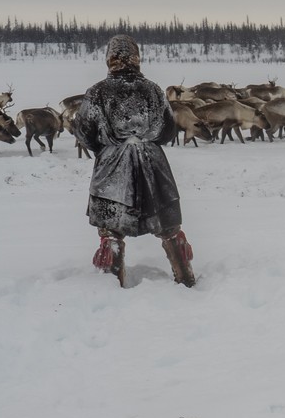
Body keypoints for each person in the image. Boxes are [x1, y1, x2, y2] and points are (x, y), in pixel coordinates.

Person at [75, 34, 195, 287]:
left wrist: (106, 149)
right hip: (152, 162)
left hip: (112, 164)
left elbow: (84, 131)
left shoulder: (97, 92)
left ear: (110, 59)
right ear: (137, 58)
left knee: (111, 228)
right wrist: (147, 141)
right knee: (168, 225)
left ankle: (111, 283)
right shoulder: (152, 89)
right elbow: (168, 129)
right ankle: (185, 277)